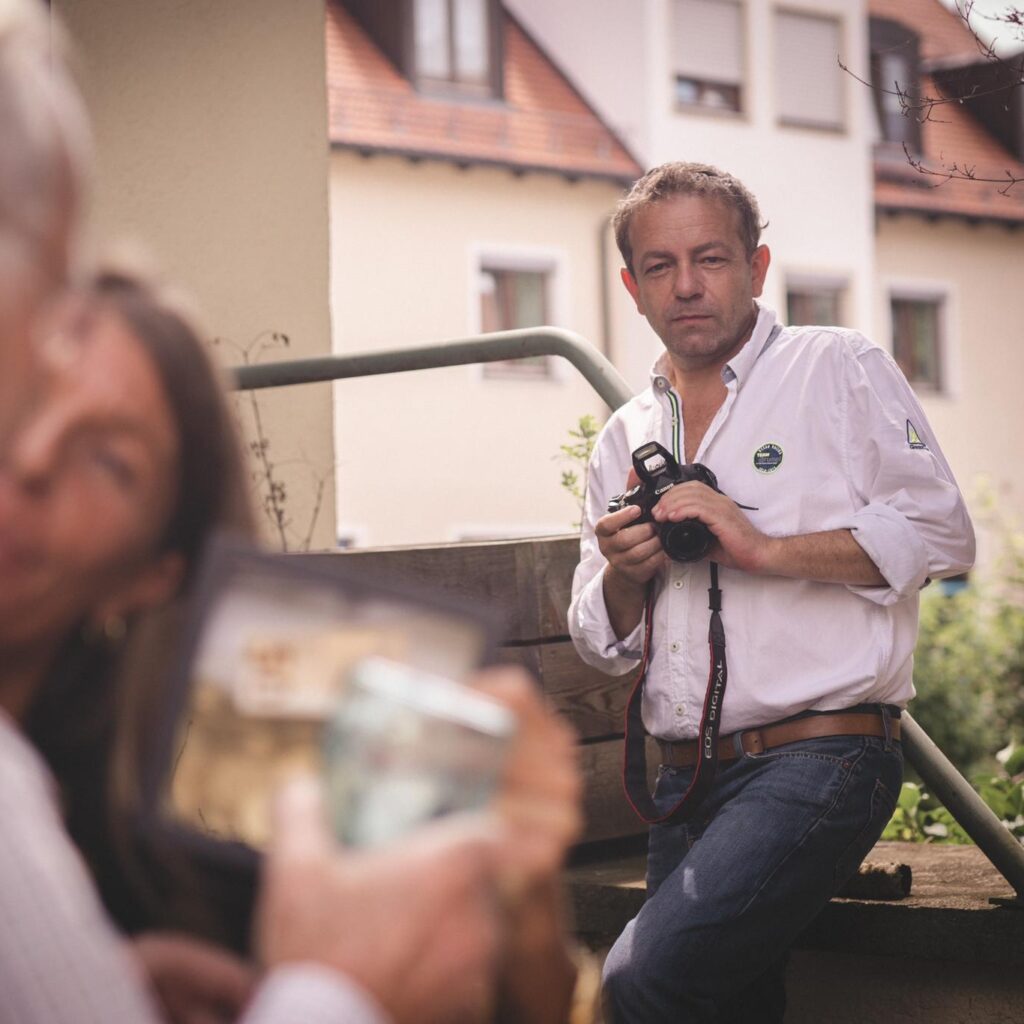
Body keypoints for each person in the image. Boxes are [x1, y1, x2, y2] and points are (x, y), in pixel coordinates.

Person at [0, 6, 584, 1021]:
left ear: (156, 571)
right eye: (28, 397)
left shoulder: (222, 798)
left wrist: (521, 920)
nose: (34, 459)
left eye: (111, 460)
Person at [568, 161, 975, 1023]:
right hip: (681, 782)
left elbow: (941, 531)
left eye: (710, 259)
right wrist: (625, 572)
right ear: (630, 286)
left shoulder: (839, 368)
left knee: (642, 981)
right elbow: (598, 643)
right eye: (659, 266)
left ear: (756, 267)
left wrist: (761, 546)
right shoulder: (624, 434)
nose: (685, 286)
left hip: (819, 758)